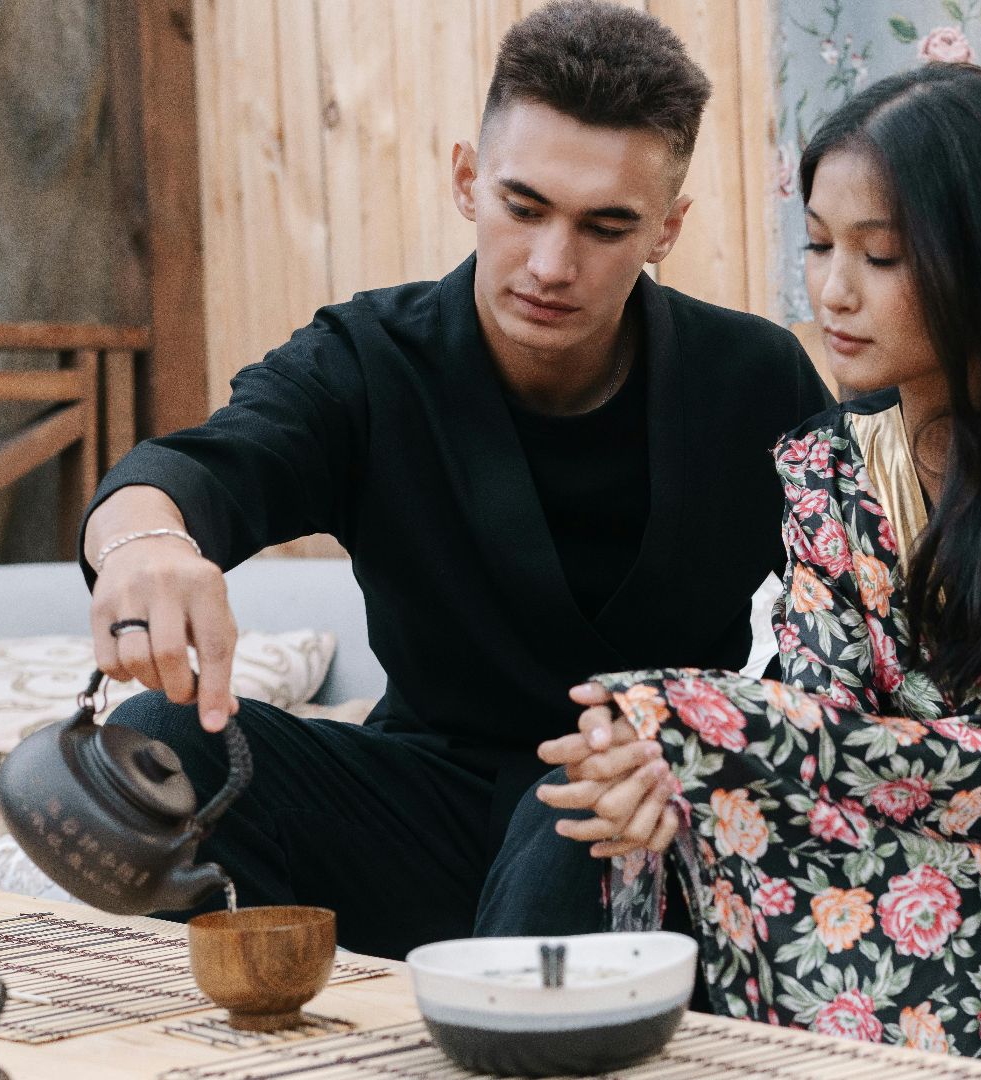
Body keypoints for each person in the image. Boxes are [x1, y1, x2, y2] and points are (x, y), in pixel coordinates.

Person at [77, 0, 831, 959]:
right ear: (468, 181)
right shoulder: (369, 360)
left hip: (650, 819)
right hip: (418, 814)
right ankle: (266, 1027)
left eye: (606, 226)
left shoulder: (754, 379)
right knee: (163, 740)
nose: (551, 264)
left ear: (666, 230)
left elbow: (856, 622)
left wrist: (712, 744)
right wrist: (146, 543)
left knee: (583, 818)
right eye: (525, 207)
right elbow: (206, 466)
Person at [536, 63, 981, 1068]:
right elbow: (825, 708)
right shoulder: (831, 457)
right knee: (602, 807)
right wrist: (663, 760)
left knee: (669, 760)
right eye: (821, 245)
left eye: (880, 256)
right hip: (896, 826)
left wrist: (694, 725)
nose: (831, 290)